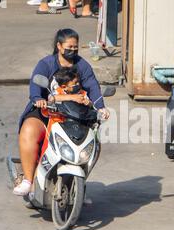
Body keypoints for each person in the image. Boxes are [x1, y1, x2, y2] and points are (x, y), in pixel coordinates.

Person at [13, 28, 109, 196]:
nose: (72, 51)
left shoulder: (83, 66)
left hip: (75, 116)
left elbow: (93, 86)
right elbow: (36, 85)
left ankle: (78, 186)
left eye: (75, 48)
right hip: (46, 112)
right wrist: (38, 98)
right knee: (29, 130)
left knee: (94, 143)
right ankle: (28, 180)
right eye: (69, 47)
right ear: (58, 46)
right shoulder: (46, 64)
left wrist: (101, 107)